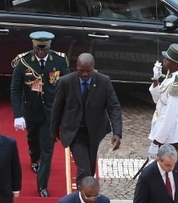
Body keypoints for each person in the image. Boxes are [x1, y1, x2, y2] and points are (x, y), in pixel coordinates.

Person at [11, 31, 70, 198]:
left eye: (45, 50)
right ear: (33, 47)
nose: (41, 53)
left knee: (48, 148)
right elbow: (15, 90)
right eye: (38, 49)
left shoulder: (59, 59)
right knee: (32, 139)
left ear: (50, 48)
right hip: (31, 109)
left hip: (51, 111)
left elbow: (67, 85)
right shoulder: (23, 62)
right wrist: (18, 114)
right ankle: (33, 157)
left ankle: (42, 184)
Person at [50, 53, 123, 186]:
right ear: (76, 67)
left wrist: (117, 133)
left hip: (94, 131)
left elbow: (113, 107)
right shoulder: (65, 82)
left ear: (94, 67)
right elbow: (57, 107)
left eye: (88, 71)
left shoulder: (104, 81)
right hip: (74, 131)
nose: (84, 74)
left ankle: (86, 194)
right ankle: (82, 199)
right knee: (84, 169)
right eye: (81, 70)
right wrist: (53, 130)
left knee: (90, 167)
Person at [147, 43, 178, 158]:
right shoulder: (171, 75)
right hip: (161, 129)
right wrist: (156, 79)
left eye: (167, 59)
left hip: (168, 136)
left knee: (167, 169)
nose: (164, 60)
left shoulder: (177, 84)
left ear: (174, 64)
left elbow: (170, 116)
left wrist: (156, 142)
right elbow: (157, 99)